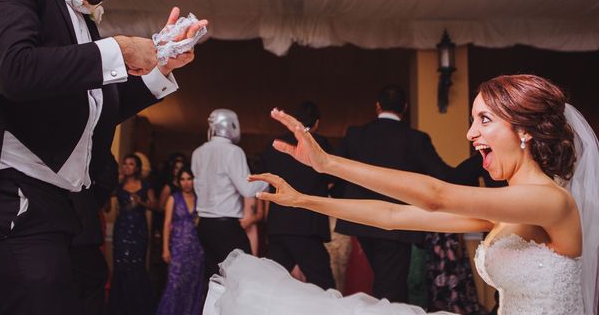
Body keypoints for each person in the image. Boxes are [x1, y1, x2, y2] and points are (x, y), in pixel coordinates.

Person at [0, 0, 207, 314]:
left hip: (64, 207)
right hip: (17, 198)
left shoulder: (85, 21)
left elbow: (98, 109)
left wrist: (159, 66)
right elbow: (15, 69)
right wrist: (121, 49)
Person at [205, 75, 598, 314]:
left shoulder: (552, 202)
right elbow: (393, 215)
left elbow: (436, 194)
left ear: (524, 129)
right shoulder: (507, 206)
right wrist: (306, 200)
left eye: (484, 119)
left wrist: (330, 164)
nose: (470, 134)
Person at [334, 85, 454, 302]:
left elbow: (337, 173)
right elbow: (442, 175)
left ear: (377, 106)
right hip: (398, 224)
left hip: (361, 220)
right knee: (391, 287)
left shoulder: (355, 135)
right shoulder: (416, 139)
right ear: (405, 108)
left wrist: (346, 202)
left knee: (384, 280)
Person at [257, 101, 336, 290]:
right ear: (317, 123)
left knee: (274, 286)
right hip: (307, 226)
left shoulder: (275, 144)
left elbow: (262, 177)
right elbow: (334, 179)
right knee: (324, 286)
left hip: (278, 226)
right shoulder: (320, 144)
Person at [191, 109, 268, 280]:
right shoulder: (234, 152)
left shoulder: (198, 152)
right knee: (244, 276)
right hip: (226, 225)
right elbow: (247, 189)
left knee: (214, 278)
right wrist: (268, 181)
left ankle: (214, 308)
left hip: (204, 225)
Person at [107, 154, 157, 315]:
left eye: (131, 164)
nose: (127, 167)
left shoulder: (145, 185)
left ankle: (138, 308)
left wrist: (140, 201)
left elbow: (155, 206)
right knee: (121, 266)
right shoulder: (118, 186)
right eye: (125, 164)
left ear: (137, 168)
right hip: (121, 231)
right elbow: (107, 207)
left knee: (137, 267)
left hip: (139, 231)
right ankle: (119, 308)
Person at [156, 166, 204, 315]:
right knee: (174, 285)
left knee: (193, 287)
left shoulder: (200, 199)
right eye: (182, 179)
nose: (186, 183)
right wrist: (165, 249)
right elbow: (167, 224)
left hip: (197, 249)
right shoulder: (173, 198)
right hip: (177, 248)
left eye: (189, 179)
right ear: (178, 182)